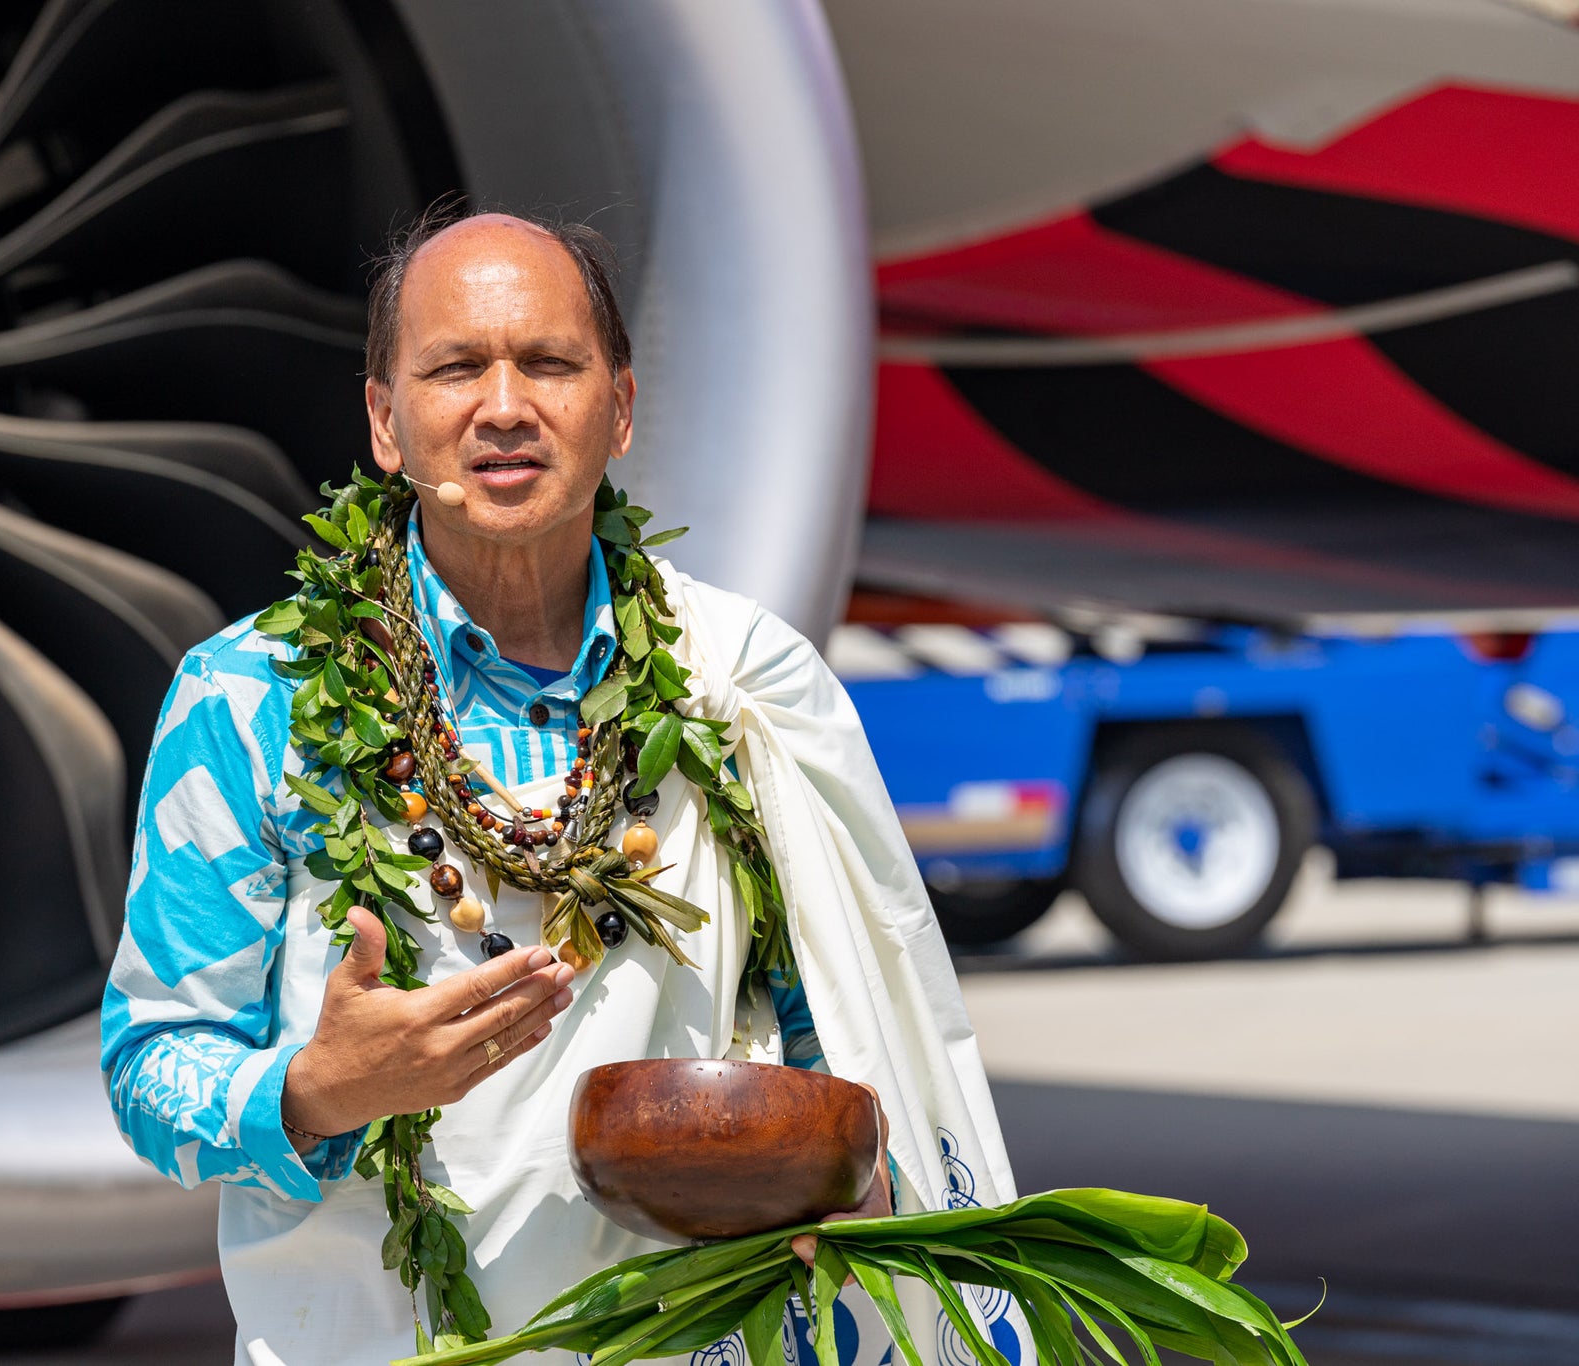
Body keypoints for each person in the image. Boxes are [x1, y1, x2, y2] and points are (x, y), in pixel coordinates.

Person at [100, 206, 1028, 1366]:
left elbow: (840, 1020)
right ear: (385, 421)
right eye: (452, 368)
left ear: (620, 409)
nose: (502, 406)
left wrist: (838, 1170)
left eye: (548, 363)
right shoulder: (249, 696)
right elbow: (148, 1064)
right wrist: (320, 1090)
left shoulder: (740, 684)